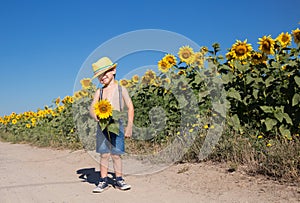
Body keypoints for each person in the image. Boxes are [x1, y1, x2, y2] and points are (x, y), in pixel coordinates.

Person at [89, 56, 134, 193]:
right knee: (104, 154)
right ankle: (103, 180)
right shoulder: (100, 92)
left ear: (113, 70)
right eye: (99, 76)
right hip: (102, 125)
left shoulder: (121, 90)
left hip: (117, 124)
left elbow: (130, 107)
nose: (102, 77)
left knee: (116, 153)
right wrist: (95, 116)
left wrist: (129, 126)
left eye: (105, 73)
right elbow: (92, 107)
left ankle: (119, 179)